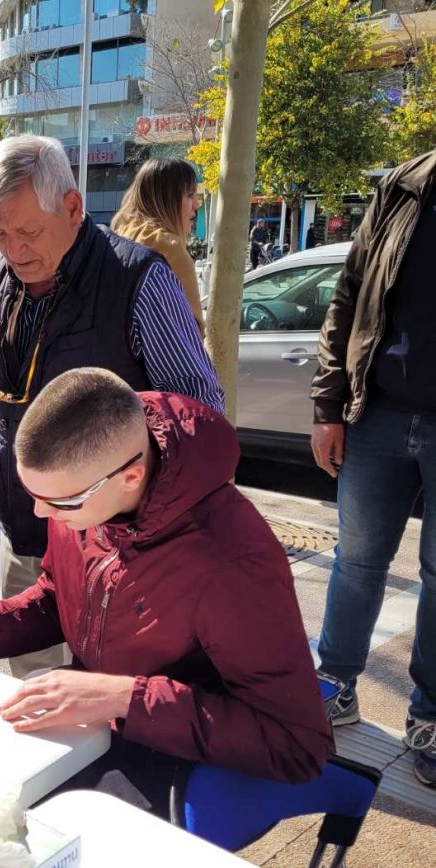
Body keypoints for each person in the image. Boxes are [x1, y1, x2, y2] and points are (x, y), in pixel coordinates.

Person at [0, 368, 332, 816]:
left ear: (132, 477)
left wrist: (124, 697)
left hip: (178, 759)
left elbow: (296, 744)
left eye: (62, 502)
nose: (43, 513)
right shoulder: (90, 495)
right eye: (32, 493)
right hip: (94, 726)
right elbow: (61, 595)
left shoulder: (233, 562)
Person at [0, 134, 224, 676]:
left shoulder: (138, 279)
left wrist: (144, 506)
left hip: (121, 548)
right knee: (33, 690)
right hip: (25, 529)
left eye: (28, 231)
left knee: (121, 696)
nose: (14, 250)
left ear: (73, 209)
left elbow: (199, 411)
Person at [310, 149, 436, 787]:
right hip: (377, 414)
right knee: (356, 560)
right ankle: (334, 682)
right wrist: (328, 404)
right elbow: (348, 295)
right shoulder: (403, 187)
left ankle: (431, 714)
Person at [111, 158, 205, 337]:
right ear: (168, 199)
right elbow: (193, 334)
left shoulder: (121, 233)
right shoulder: (171, 249)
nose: (197, 205)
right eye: (190, 195)